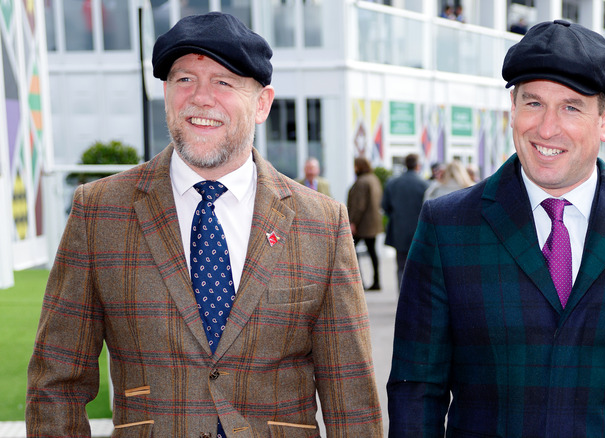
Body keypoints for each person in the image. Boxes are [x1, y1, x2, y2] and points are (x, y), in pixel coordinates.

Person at [26, 12, 382, 437]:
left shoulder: (321, 223)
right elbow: (55, 383)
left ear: (263, 104)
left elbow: (352, 399)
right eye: (184, 80)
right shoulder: (100, 211)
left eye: (223, 82)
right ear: (165, 92)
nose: (200, 98)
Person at [387, 20, 605, 437]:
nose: (546, 128)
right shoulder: (446, 225)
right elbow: (417, 388)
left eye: (570, 106)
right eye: (532, 103)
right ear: (512, 109)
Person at [382, 153, 429, 290]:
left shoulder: (393, 183)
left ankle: (402, 297)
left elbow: (385, 206)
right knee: (419, 267)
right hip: (419, 231)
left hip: (399, 231)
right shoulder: (424, 184)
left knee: (401, 266)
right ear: (417, 165)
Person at [347, 156, 384, 291]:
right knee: (372, 252)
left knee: (351, 249)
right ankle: (377, 281)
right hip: (373, 222)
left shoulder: (362, 182)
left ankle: (359, 281)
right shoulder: (374, 179)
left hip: (363, 224)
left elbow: (359, 205)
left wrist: (352, 222)